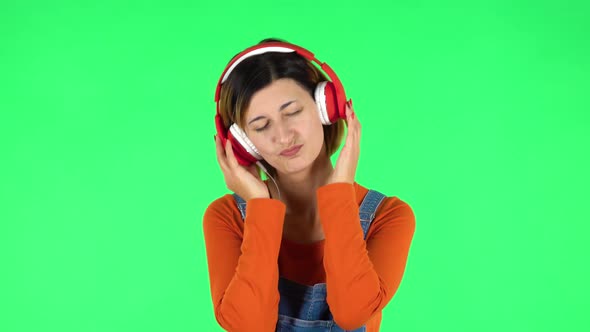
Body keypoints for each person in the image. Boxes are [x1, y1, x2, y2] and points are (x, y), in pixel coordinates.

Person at [203, 38, 416, 332]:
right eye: (261, 126)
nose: (283, 135)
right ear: (242, 144)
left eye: (292, 112)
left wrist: (339, 193)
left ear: (325, 107)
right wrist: (260, 209)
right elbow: (249, 326)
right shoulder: (227, 218)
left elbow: (353, 313)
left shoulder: (388, 216)